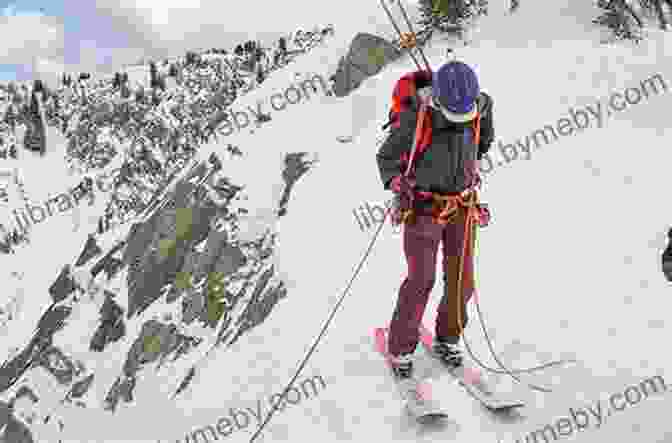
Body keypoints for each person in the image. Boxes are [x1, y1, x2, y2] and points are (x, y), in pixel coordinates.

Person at [376, 61, 494, 378]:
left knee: (462, 279)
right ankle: (400, 347)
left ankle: (448, 337)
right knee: (421, 279)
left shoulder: (480, 107)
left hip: (463, 205)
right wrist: (397, 183)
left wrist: (471, 163)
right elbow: (386, 158)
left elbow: (483, 141)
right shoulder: (417, 118)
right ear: (438, 101)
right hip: (424, 207)